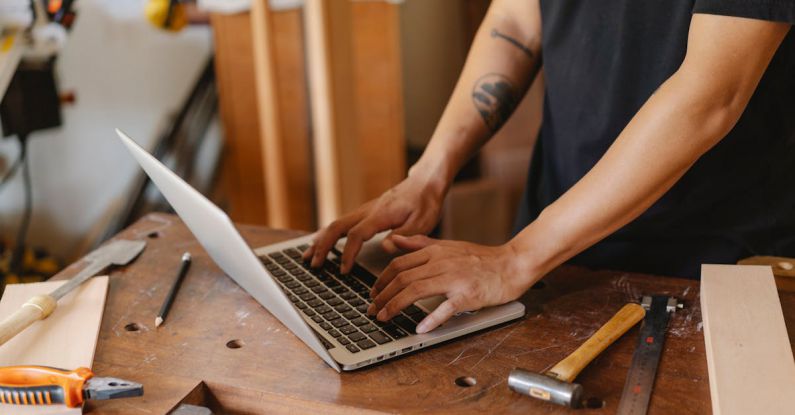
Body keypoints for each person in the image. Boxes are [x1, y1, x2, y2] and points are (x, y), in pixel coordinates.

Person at [303, 0, 795, 334]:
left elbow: (711, 94)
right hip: (556, 251)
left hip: (716, 262)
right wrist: (429, 174)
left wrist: (516, 257)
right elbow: (518, 20)